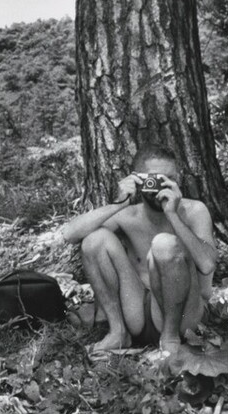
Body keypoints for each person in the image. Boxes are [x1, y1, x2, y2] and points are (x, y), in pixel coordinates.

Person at [62, 145, 217, 355]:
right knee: (94, 240)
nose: (161, 188)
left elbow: (207, 265)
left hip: (186, 316)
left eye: (168, 179)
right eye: (153, 180)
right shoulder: (128, 215)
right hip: (140, 312)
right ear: (138, 180)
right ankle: (118, 333)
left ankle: (170, 340)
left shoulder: (194, 210)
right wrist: (120, 202)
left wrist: (172, 214)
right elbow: (70, 234)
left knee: (164, 244)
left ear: (178, 180)